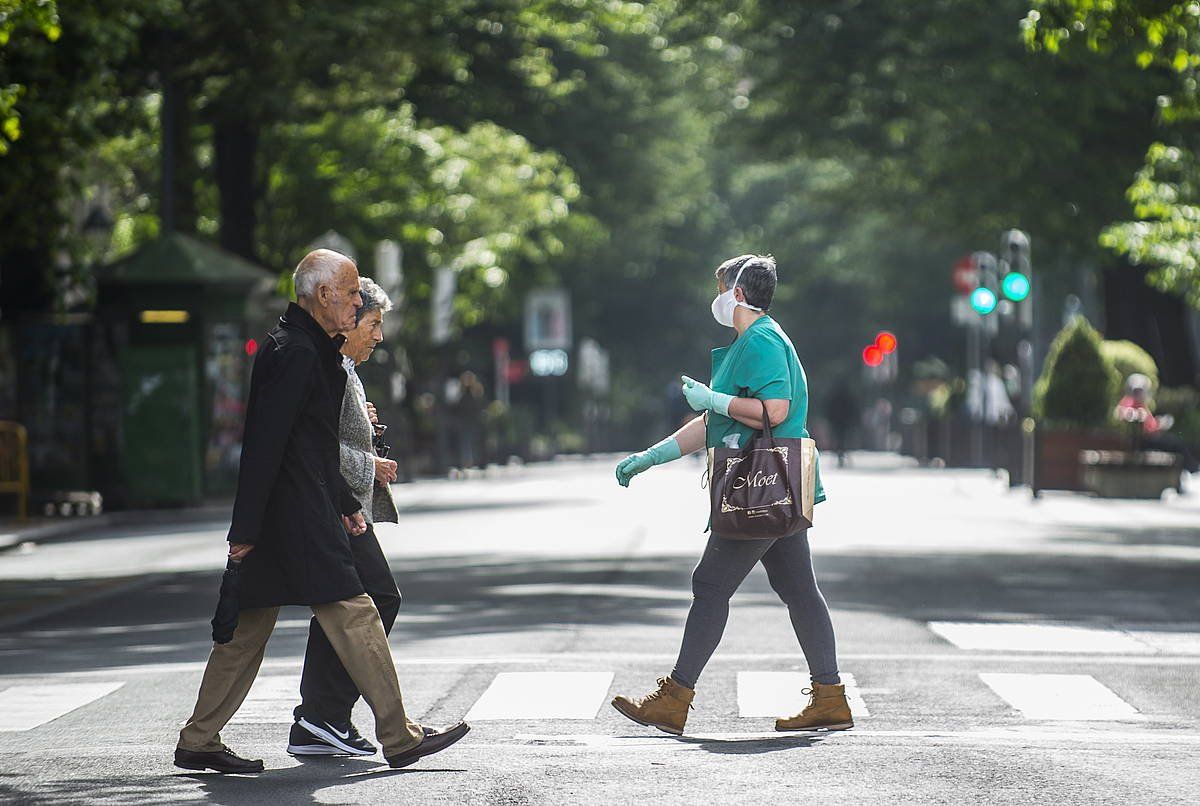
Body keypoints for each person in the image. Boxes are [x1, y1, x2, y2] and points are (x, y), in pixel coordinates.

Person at [174, 250, 469, 774]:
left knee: (248, 627)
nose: (358, 302)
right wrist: (245, 529)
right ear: (323, 294)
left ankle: (199, 739)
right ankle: (399, 737)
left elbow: (313, 439)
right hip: (293, 513)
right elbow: (267, 443)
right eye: (353, 293)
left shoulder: (314, 349)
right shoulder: (296, 353)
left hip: (299, 505)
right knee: (357, 612)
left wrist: (342, 500)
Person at [609, 254, 852, 736]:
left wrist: (714, 399)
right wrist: (651, 456)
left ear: (736, 294)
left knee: (711, 585)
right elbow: (717, 422)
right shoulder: (755, 340)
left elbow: (774, 410)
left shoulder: (759, 340)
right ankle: (830, 698)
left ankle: (674, 698)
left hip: (759, 486)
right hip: (778, 483)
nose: (715, 298)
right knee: (800, 590)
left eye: (719, 288)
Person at [286, 276, 408, 757]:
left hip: (343, 506)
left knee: (348, 605)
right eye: (372, 323)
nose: (378, 335)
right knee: (376, 597)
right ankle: (321, 715)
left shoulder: (345, 369)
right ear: (349, 319)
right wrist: (367, 463)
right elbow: (309, 442)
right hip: (331, 506)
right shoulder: (325, 365)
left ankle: (321, 717)